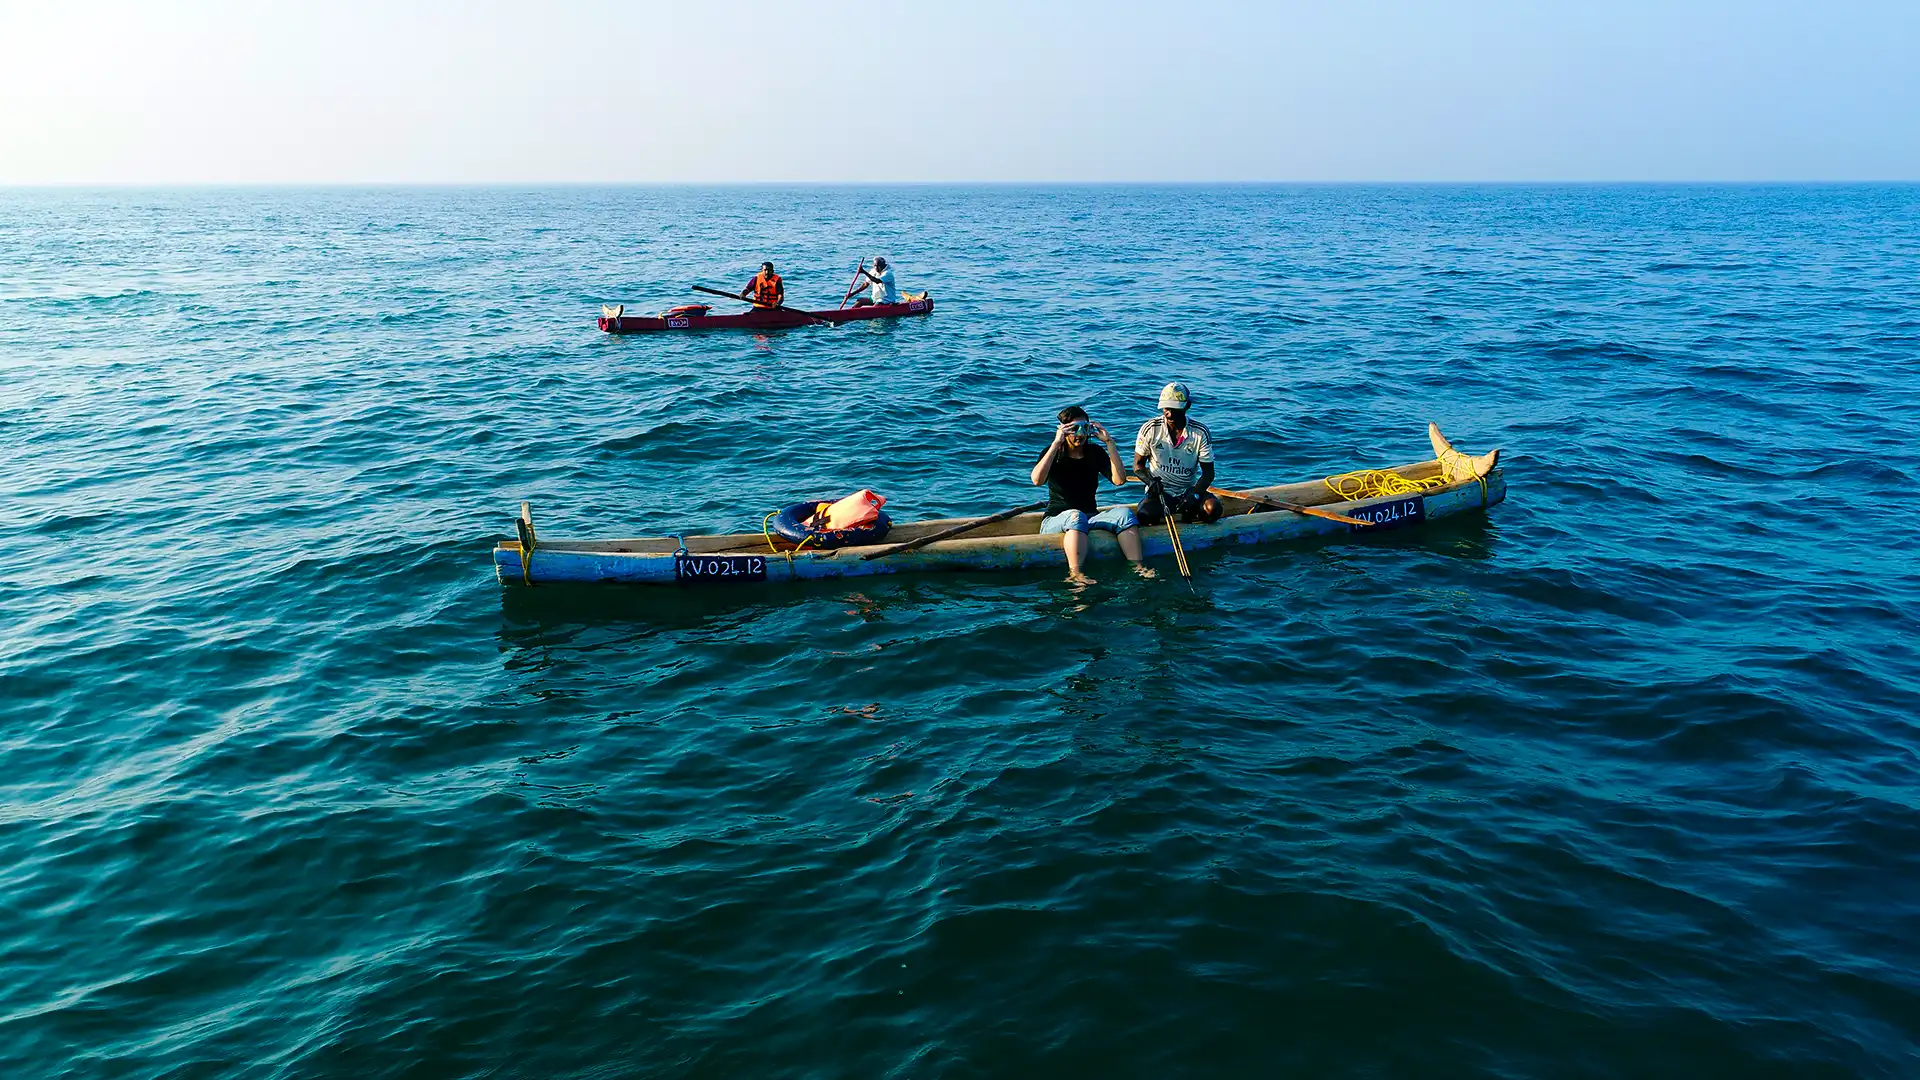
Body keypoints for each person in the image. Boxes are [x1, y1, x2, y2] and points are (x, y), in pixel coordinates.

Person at [1032, 405, 1149, 584]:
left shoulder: (1094, 452)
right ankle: (1076, 573)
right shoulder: (1054, 453)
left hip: (1088, 518)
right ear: (1064, 430)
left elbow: (1119, 481)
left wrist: (1110, 443)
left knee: (1124, 514)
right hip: (1056, 520)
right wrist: (1056, 443)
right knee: (1075, 515)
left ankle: (1138, 567)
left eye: (1084, 428)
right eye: (1073, 429)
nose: (1079, 434)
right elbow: (1037, 480)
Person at [1133, 382, 1222, 525]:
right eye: (1166, 408)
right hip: (1161, 492)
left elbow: (1208, 473)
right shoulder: (1150, 429)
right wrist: (1151, 482)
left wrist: (1195, 494)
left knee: (1212, 509)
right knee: (1145, 515)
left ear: (1187, 406)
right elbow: (1138, 466)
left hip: (1188, 490)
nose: (1169, 413)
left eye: (1175, 408)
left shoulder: (1200, 432)